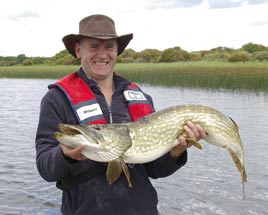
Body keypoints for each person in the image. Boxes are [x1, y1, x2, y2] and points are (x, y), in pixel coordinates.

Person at [35, 14, 206, 215]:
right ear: (78, 50)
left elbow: (155, 170)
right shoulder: (56, 99)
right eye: (94, 47)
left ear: (117, 51)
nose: (102, 54)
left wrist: (176, 151)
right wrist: (65, 155)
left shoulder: (139, 96)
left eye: (109, 47)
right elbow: (46, 168)